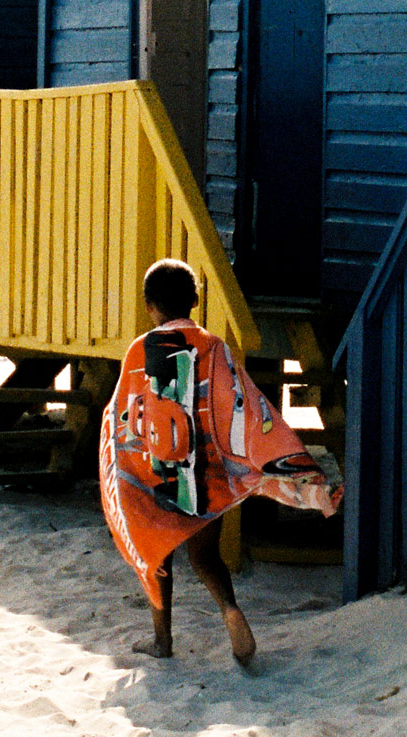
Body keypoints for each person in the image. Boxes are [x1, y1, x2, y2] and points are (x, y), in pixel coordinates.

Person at [100, 259, 340, 666]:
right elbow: (244, 407)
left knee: (158, 555)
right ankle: (230, 608)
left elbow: (123, 416)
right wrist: (274, 462)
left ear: (148, 306)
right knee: (204, 556)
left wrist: (125, 476)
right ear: (195, 300)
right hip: (205, 475)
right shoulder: (213, 347)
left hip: (158, 472)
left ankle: (162, 641)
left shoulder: (138, 351)